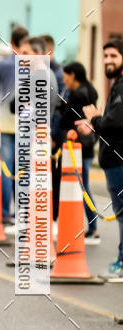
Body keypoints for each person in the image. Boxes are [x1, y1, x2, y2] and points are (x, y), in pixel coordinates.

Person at [77, 36, 123, 282]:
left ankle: (122, 263)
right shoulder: (117, 85)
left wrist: (95, 119)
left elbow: (114, 122)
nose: (108, 61)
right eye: (105, 56)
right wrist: (95, 124)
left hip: (119, 162)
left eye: (114, 56)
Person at [57, 62, 99, 244]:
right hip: (88, 145)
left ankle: (93, 228)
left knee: (82, 186)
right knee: (83, 185)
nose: (64, 79)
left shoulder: (78, 95)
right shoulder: (90, 90)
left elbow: (67, 119)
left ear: (72, 75)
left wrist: (61, 108)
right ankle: (91, 227)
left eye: (65, 76)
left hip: (78, 145)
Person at [0, 25, 28, 223]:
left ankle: (5, 212)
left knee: (6, 169)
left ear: (11, 42)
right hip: (25, 123)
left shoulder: (2, 65)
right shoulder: (32, 64)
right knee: (22, 168)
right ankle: (22, 212)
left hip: (5, 122)